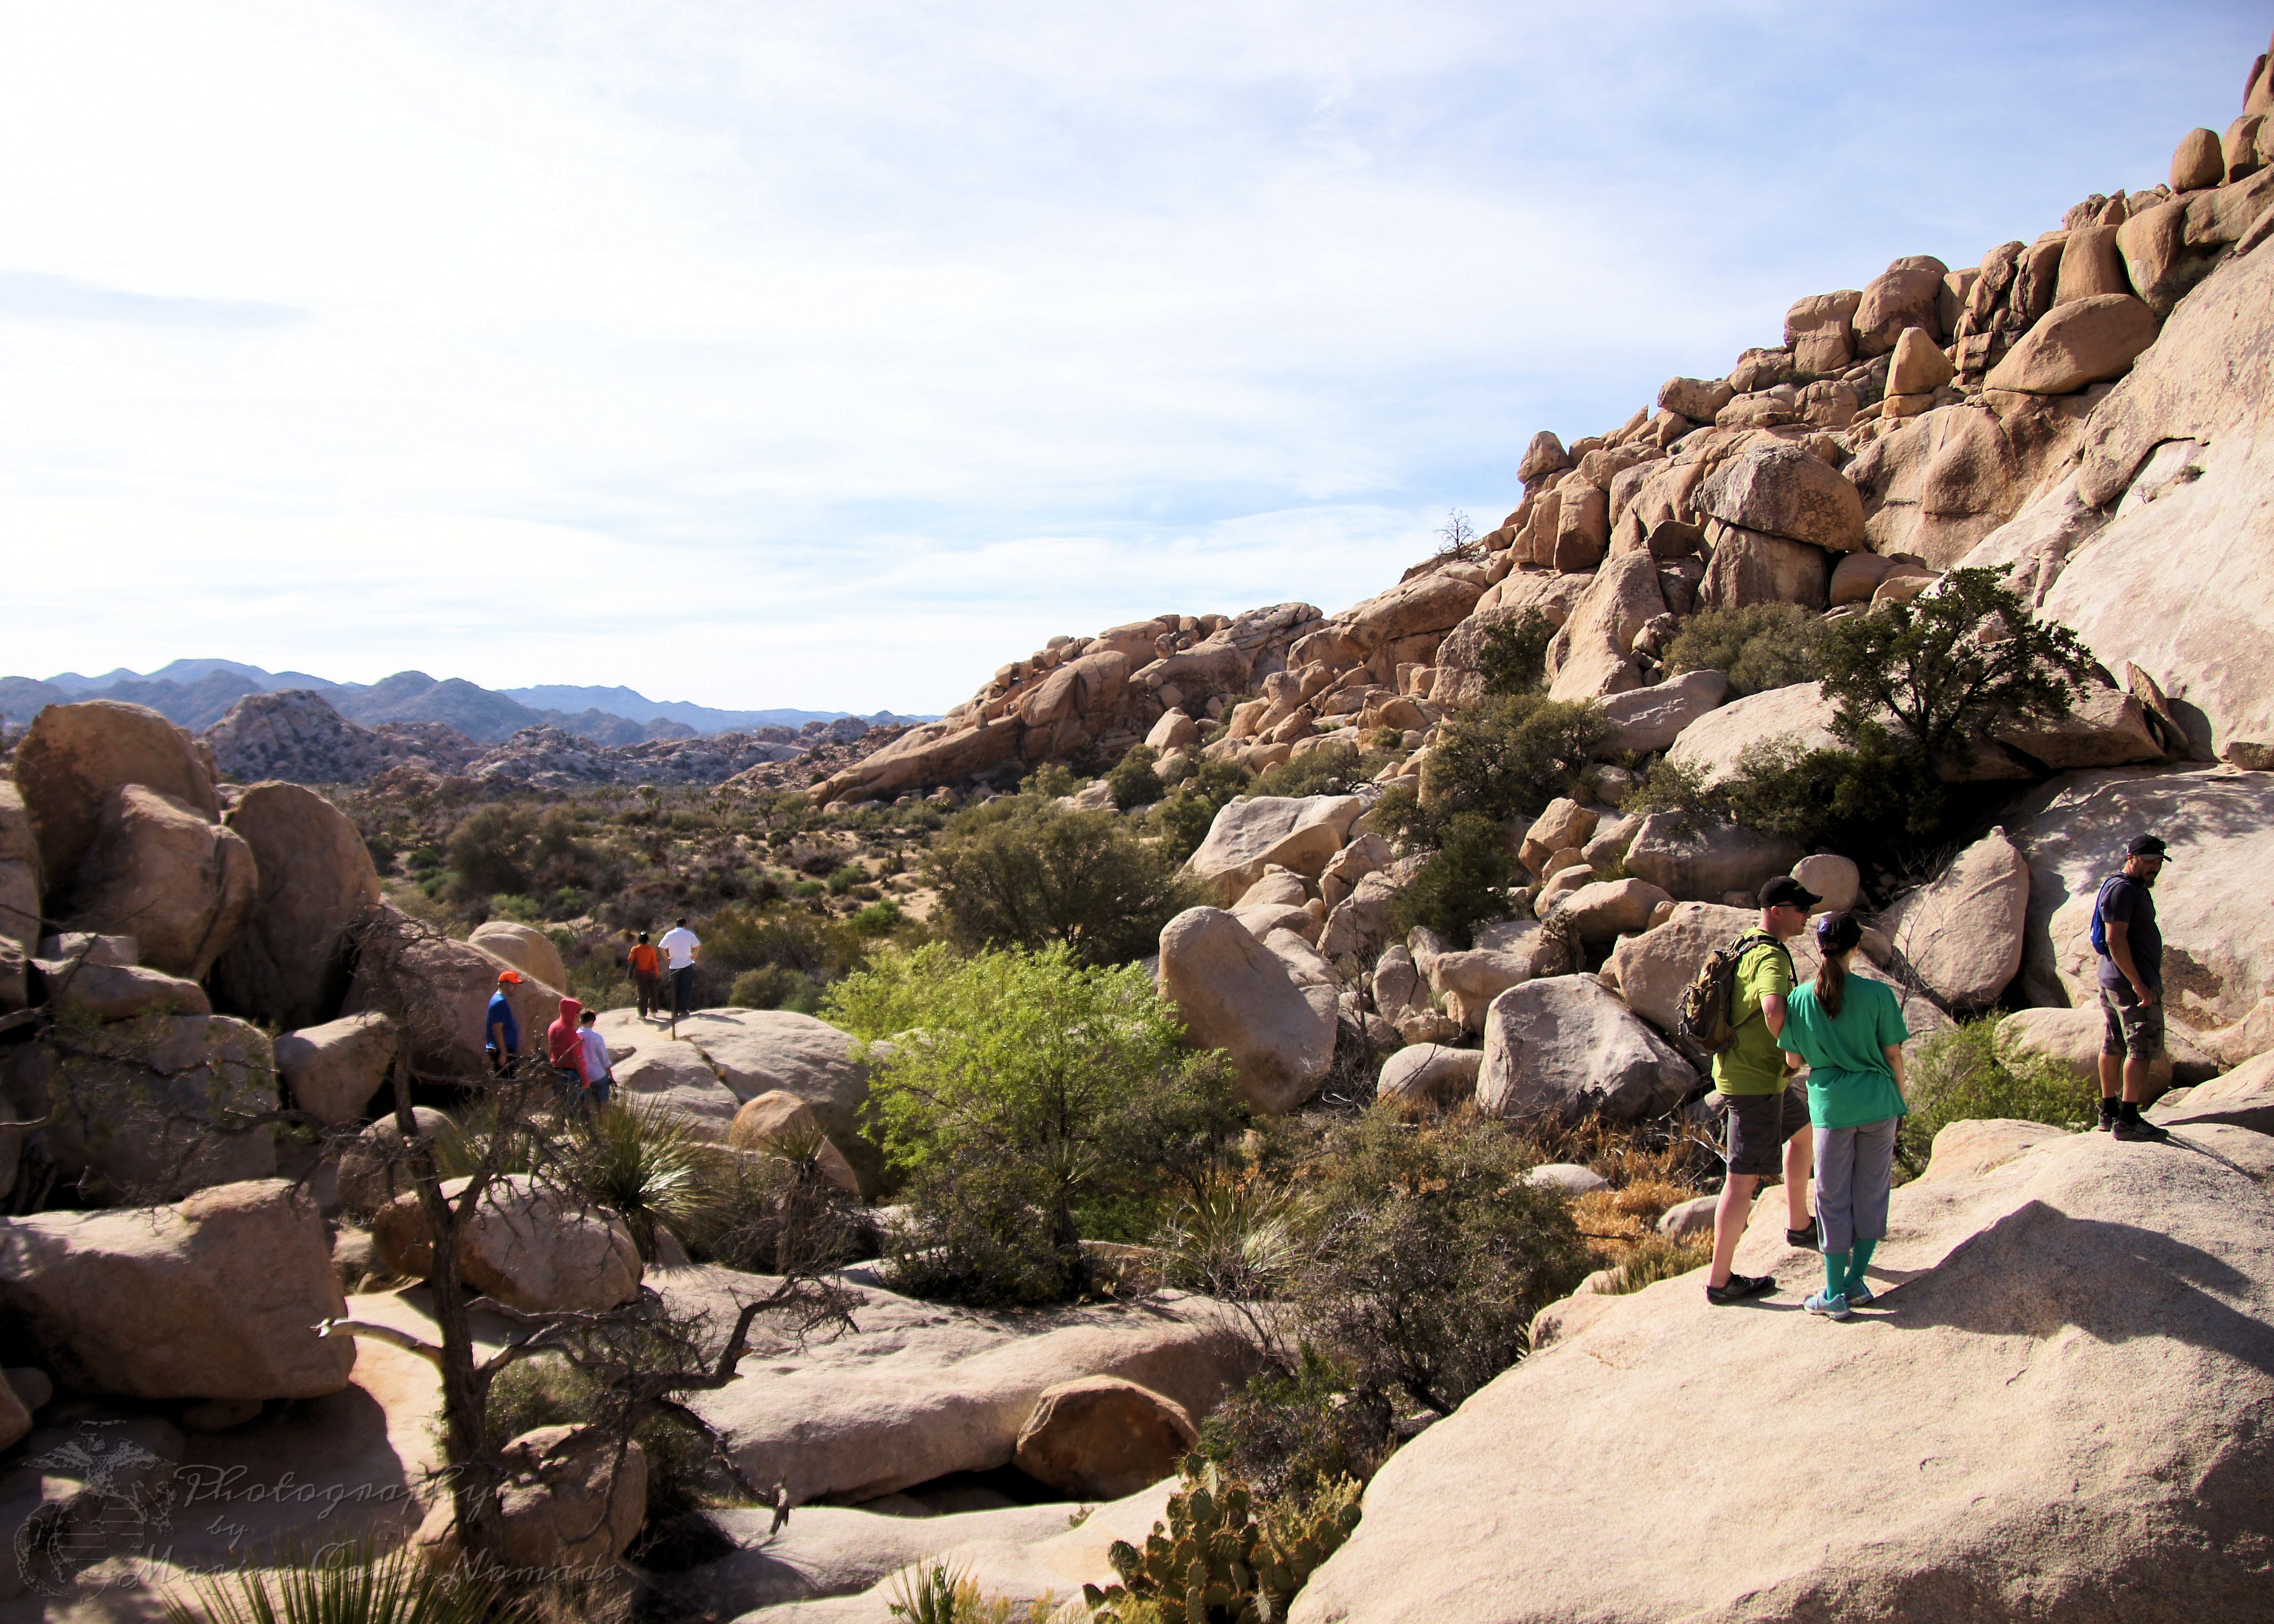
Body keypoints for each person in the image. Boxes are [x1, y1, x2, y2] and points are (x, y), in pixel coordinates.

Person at [1776, 912, 1909, 1320]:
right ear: (1856, 947)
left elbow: (1793, 1059)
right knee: (1871, 1192)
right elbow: (1893, 1056)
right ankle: (1855, 1281)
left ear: (1820, 948)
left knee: (1832, 1197)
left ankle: (1834, 1292)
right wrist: (1900, 1101)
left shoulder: (1799, 999)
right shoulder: (1879, 995)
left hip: (1832, 1107)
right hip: (1878, 1102)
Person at [1705, 875, 1820, 1306]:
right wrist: (1794, 1055)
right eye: (1801, 908)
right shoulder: (1770, 956)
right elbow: (1774, 1010)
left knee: (1804, 1132)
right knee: (1741, 1181)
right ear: (1778, 911)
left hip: (1756, 1075)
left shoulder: (1747, 941)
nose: (1807, 914)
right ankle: (1720, 1282)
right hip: (1755, 1081)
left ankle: (1799, 1223)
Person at [2092, 834, 2173, 1143]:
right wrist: (2139, 983)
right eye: (2150, 861)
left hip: (2116, 980)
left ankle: (2109, 1111)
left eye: (2159, 862)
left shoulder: (2130, 887)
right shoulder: (2122, 890)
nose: (2155, 867)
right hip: (2129, 983)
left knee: (2114, 1042)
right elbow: (2114, 939)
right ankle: (2127, 1119)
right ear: (2132, 857)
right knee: (2142, 1046)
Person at [658, 917, 701, 1020]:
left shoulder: (670, 934)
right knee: (685, 988)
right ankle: (683, 1010)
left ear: (676, 925)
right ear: (685, 925)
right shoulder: (689, 934)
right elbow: (698, 946)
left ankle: (673, 1011)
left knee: (674, 989)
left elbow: (661, 947)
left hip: (674, 965)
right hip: (687, 964)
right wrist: (694, 957)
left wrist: (667, 958)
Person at [546, 996, 587, 1103]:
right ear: (571, 1012)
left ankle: (559, 1120)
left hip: (556, 1070)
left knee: (560, 1105)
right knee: (574, 1109)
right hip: (571, 1074)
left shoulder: (554, 1026)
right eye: (577, 1012)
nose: (578, 1015)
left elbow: (550, 1049)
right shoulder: (569, 1031)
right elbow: (577, 1058)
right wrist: (585, 1079)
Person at [485, 971, 524, 1075]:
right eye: (513, 985)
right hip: (502, 1051)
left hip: (503, 1051)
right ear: (505, 984)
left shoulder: (500, 1000)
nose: (516, 987)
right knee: (507, 1084)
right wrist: (503, 1052)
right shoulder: (499, 1002)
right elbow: (497, 1029)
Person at [577, 1008, 615, 1109]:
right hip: (598, 1076)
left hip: (581, 1076)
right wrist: (611, 1077)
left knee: (584, 1107)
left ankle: (587, 1124)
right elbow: (604, 1060)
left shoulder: (575, 1036)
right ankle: (603, 1124)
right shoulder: (597, 1037)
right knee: (603, 1107)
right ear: (592, 1022)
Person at [627, 931, 662, 1020]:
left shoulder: (635, 949)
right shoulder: (651, 949)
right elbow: (655, 962)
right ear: (647, 940)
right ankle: (654, 1012)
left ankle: (642, 1015)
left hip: (640, 974)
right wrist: (657, 974)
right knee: (653, 993)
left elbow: (630, 959)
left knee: (642, 994)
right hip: (650, 974)